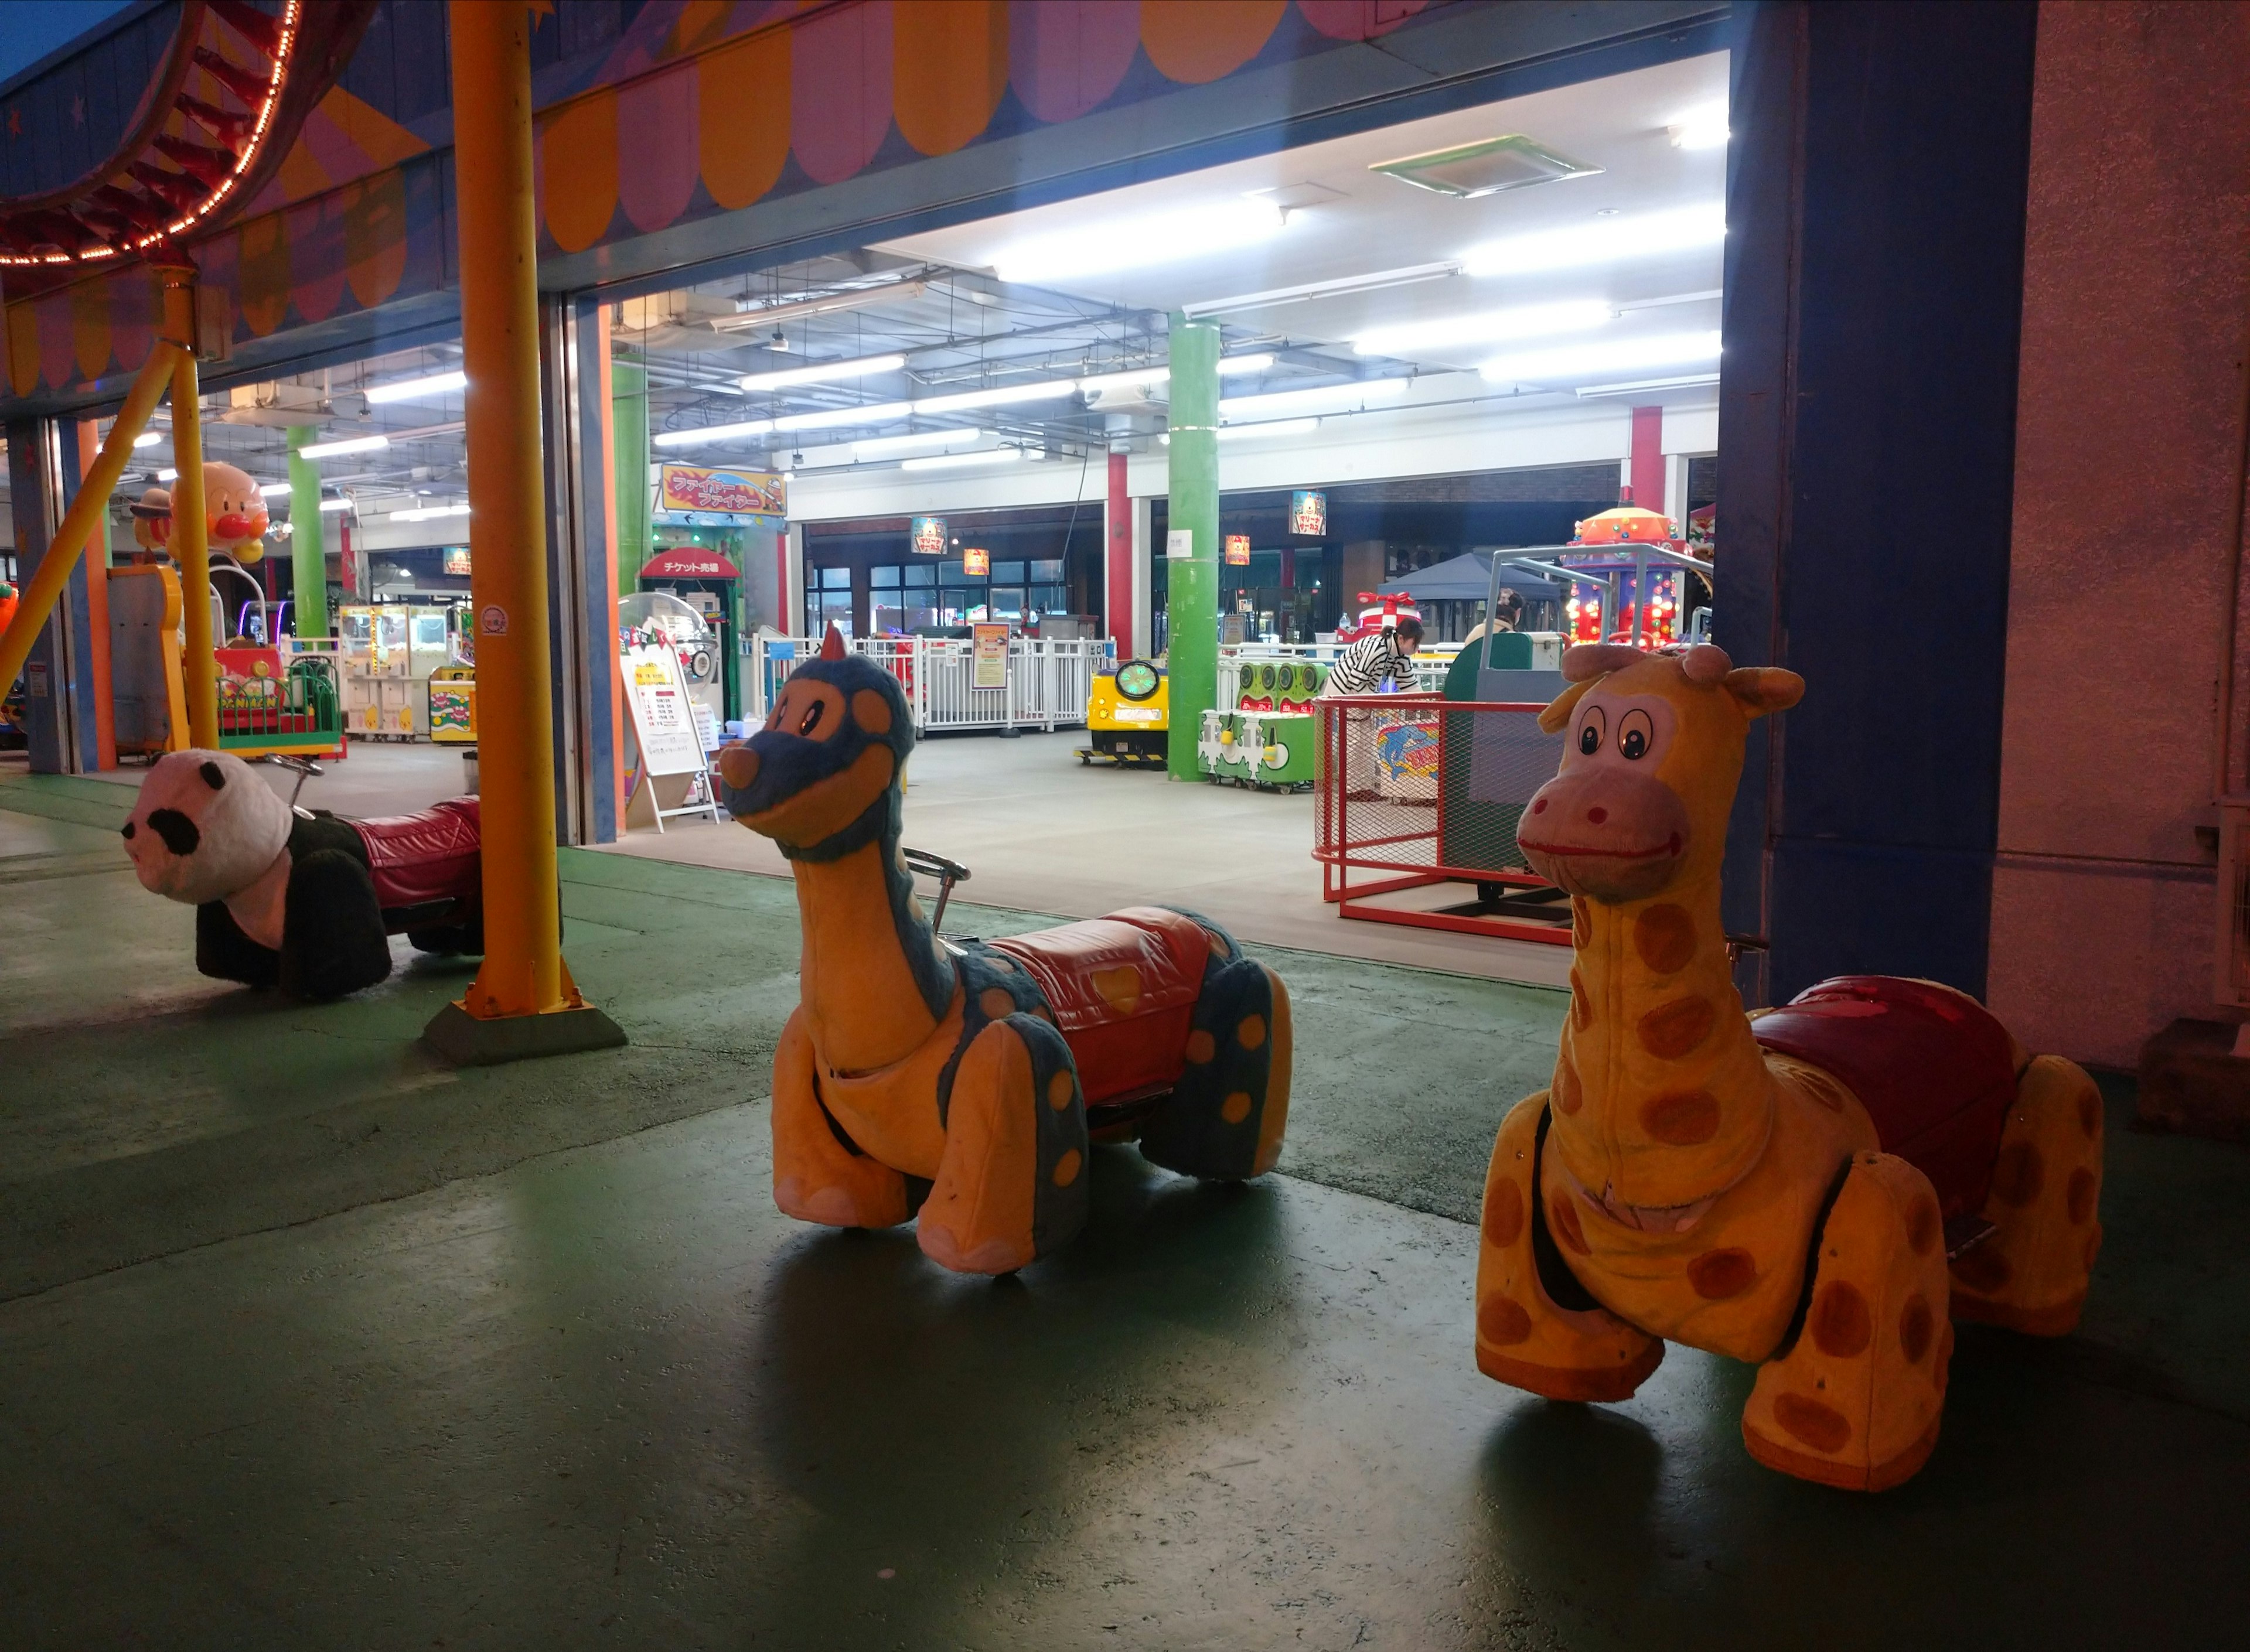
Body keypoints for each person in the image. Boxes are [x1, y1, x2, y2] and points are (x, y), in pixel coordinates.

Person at [1321, 614, 1422, 696]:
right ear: (1401, 639)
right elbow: (1356, 681)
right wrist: (1375, 702)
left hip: (1358, 689)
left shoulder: (1402, 657)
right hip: (1342, 686)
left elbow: (1410, 685)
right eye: (1415, 643)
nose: (1417, 647)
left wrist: (1428, 704)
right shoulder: (1379, 649)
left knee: (1363, 719)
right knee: (1353, 721)